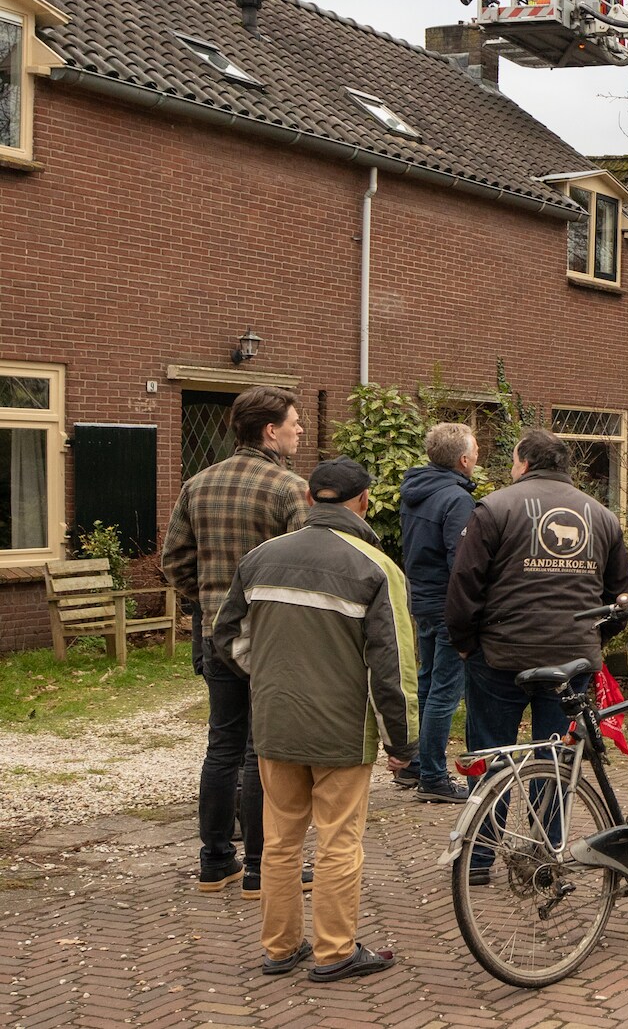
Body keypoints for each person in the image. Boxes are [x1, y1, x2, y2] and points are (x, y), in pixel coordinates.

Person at [212, 457, 418, 982]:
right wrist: (403, 742)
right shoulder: (377, 568)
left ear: (309, 497)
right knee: (338, 840)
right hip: (341, 731)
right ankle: (334, 951)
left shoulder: (260, 559)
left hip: (274, 723)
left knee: (279, 840)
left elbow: (226, 634)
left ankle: (280, 948)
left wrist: (271, 681)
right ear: (364, 501)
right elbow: (392, 665)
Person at [161, 385, 308, 895]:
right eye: (294, 423)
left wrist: (207, 600)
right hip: (270, 636)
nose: (300, 430)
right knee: (258, 748)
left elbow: (173, 559)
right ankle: (260, 866)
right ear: (271, 430)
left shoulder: (197, 484)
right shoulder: (289, 489)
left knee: (221, 745)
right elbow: (307, 565)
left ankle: (214, 861)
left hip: (214, 633)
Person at [445, 428, 628, 804]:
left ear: (525, 463)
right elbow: (621, 597)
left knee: (491, 757)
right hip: (572, 659)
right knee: (555, 761)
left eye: (514, 462)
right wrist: (593, 639)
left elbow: (465, 584)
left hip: (501, 657)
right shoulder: (602, 516)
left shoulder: (494, 508)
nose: (512, 470)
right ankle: (549, 853)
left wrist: (466, 645)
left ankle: (478, 857)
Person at [396, 422, 480, 804]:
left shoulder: (417, 491)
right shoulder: (456, 499)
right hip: (447, 604)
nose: (478, 456)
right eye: (475, 451)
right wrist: (470, 609)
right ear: (463, 459)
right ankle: (432, 775)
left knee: (428, 683)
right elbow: (460, 561)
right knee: (446, 691)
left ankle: (417, 764)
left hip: (422, 600)